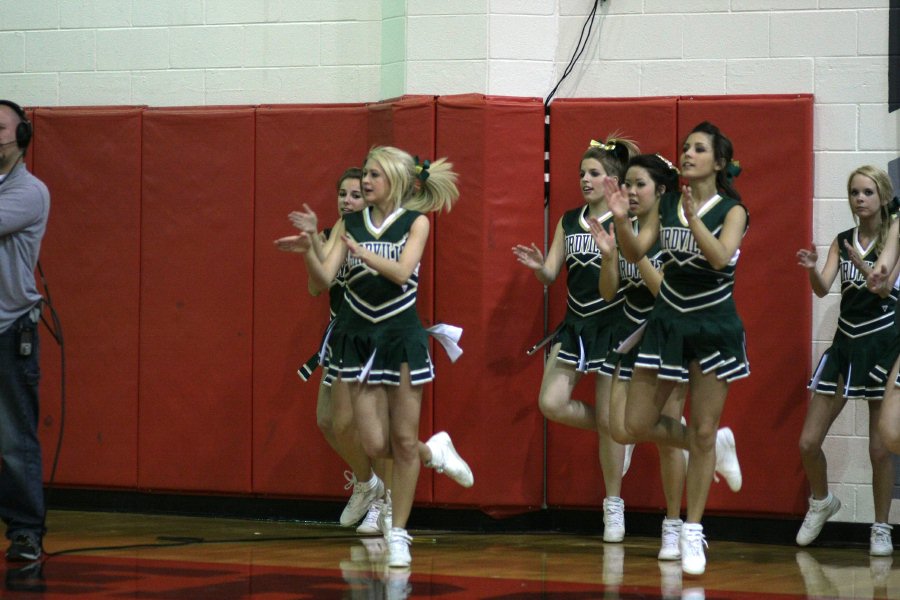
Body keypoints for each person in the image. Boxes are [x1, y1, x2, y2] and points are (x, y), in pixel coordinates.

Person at [289, 146, 473, 569]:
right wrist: (310, 251)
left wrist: (360, 251)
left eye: (373, 175)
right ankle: (437, 453)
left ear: (394, 179)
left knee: (403, 439)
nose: (365, 181)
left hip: (401, 338)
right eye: (365, 174)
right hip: (360, 342)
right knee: (375, 442)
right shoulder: (347, 223)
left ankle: (400, 534)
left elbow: (402, 272)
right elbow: (323, 283)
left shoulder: (417, 222)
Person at [607, 122, 749, 576]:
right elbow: (634, 254)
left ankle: (692, 530)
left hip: (713, 325)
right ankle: (713, 445)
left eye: (699, 149)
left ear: (719, 162)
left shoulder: (733, 210)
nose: (687, 153)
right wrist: (621, 218)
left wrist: (690, 218)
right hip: (667, 323)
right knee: (630, 425)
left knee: (703, 428)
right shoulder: (667, 203)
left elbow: (720, 257)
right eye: (686, 147)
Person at [512, 136, 639, 543]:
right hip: (576, 326)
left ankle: (613, 506)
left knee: (607, 419)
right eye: (582, 173)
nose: (585, 179)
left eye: (594, 173)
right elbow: (552, 274)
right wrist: (538, 268)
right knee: (550, 403)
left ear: (614, 181)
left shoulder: (627, 224)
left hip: (614, 327)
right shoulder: (568, 221)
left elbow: (618, 284)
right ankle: (621, 430)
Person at [275, 168, 389, 535]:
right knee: (328, 420)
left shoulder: (378, 235)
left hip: (373, 338)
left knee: (372, 427)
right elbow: (316, 287)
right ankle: (367, 483)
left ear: (370, 197)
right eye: (343, 194)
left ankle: (385, 504)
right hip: (339, 338)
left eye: (355, 194)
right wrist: (312, 249)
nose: (348, 200)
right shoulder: (331, 236)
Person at [795, 165, 897, 557]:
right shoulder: (842, 240)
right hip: (845, 346)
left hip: (883, 347)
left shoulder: (894, 235)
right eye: (854, 192)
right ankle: (821, 501)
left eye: (867, 192)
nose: (859, 199)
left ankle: (881, 526)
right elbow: (823, 289)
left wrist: (864, 265)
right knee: (808, 442)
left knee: (878, 448)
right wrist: (811, 270)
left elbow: (883, 287)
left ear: (883, 196)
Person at [0, 99, 50, 562]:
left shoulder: (29, 191)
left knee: (15, 438)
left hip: (10, 330)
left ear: (22, 137)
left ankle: (26, 532)